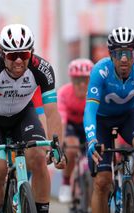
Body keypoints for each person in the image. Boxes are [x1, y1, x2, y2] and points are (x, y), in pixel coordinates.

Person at [0, 24, 66, 213]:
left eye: (23, 55)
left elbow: (51, 112)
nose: (18, 61)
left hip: (23, 115)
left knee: (39, 158)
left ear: (31, 53)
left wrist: (58, 149)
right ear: (2, 54)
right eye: (11, 56)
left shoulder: (43, 69)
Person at [84, 27, 134, 213]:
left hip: (128, 116)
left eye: (129, 53)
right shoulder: (100, 71)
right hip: (101, 121)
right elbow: (90, 109)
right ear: (111, 55)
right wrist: (91, 138)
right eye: (119, 53)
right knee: (102, 182)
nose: (124, 58)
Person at [57, 58, 94, 203]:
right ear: (71, 80)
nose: (82, 84)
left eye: (86, 79)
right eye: (77, 80)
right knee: (71, 148)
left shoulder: (95, 93)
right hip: (71, 125)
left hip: (88, 125)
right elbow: (62, 121)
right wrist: (60, 145)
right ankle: (66, 183)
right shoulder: (64, 93)